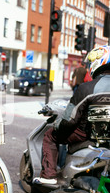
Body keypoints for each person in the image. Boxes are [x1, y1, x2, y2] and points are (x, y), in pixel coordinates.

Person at [34, 45, 110, 185]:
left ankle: (49, 176)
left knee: (50, 136)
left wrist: (57, 125)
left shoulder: (87, 88)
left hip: (86, 136)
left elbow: (69, 120)